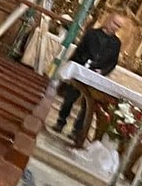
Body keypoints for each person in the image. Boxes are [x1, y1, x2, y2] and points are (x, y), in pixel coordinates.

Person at [54, 12, 127, 140]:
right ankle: (61, 122)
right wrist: (78, 65)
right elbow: (79, 50)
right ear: (108, 19)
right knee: (70, 97)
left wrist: (102, 71)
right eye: (114, 23)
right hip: (80, 70)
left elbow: (112, 63)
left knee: (88, 105)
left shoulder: (116, 43)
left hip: (96, 76)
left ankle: (77, 131)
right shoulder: (92, 33)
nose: (115, 27)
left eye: (118, 26)